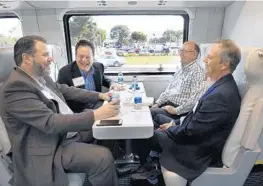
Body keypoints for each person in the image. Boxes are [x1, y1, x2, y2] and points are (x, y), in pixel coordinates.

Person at [0, 35, 119, 186]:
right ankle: (104, 168)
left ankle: (107, 172)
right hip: (49, 147)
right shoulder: (15, 88)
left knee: (108, 129)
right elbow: (50, 122)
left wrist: (101, 95)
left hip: (64, 134)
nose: (51, 59)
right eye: (45, 55)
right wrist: (96, 115)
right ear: (27, 58)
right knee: (103, 157)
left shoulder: (41, 78)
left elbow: (68, 90)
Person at [135, 39, 242, 183]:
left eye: (209, 57)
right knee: (151, 126)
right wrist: (175, 123)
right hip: (191, 135)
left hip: (194, 151)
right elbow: (196, 118)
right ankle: (150, 164)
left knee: (144, 134)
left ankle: (145, 168)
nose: (204, 60)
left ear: (224, 64)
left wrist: (171, 128)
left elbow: (191, 132)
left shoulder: (221, 96)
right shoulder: (220, 86)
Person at [151, 41, 205, 128]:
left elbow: (194, 101)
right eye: (181, 51)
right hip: (168, 105)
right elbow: (168, 90)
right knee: (146, 111)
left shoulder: (198, 73)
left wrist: (175, 110)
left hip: (179, 111)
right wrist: (157, 103)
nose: (181, 54)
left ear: (194, 55)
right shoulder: (180, 70)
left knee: (149, 114)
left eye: (185, 51)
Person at [58, 39, 118, 113]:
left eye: (87, 57)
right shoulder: (65, 72)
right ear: (75, 56)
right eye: (80, 56)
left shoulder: (99, 67)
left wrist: (112, 83)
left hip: (98, 104)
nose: (84, 60)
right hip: (80, 112)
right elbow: (63, 97)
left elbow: (103, 78)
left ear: (93, 57)